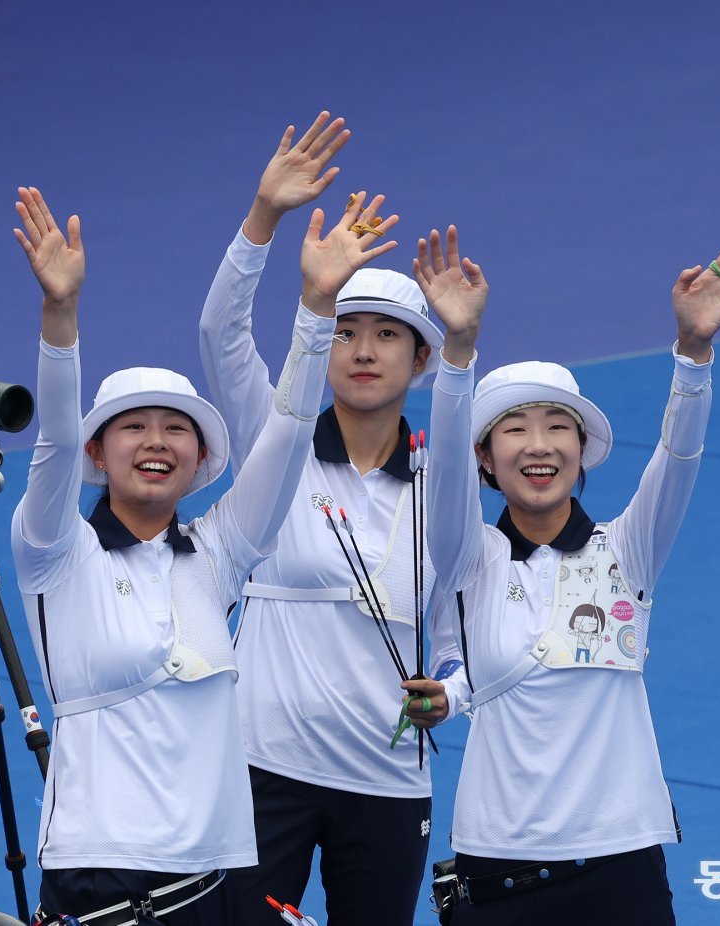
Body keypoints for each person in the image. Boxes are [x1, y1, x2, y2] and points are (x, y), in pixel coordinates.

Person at [9, 184, 390, 924]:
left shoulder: (217, 554)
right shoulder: (56, 551)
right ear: (98, 450)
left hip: (212, 885)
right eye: (134, 427)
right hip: (98, 881)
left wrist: (316, 307)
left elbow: (288, 430)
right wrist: (60, 316)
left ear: (200, 454)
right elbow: (52, 436)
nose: (156, 442)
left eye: (176, 429)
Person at [416, 226, 720, 924]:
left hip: (622, 865)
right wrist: (457, 354)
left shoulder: (628, 550)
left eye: (559, 428)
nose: (540, 445)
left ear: (583, 452)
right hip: (498, 869)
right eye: (515, 430)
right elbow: (445, 470)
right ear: (487, 459)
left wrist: (694, 354)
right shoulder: (468, 556)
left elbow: (679, 457)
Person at [198, 113, 469, 926]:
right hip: (261, 762)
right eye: (345, 331)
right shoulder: (273, 436)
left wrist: (448, 696)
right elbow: (220, 332)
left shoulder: (441, 488)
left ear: (421, 362)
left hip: (387, 781)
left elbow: (462, 638)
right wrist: (263, 218)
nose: (362, 349)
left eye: (388, 335)